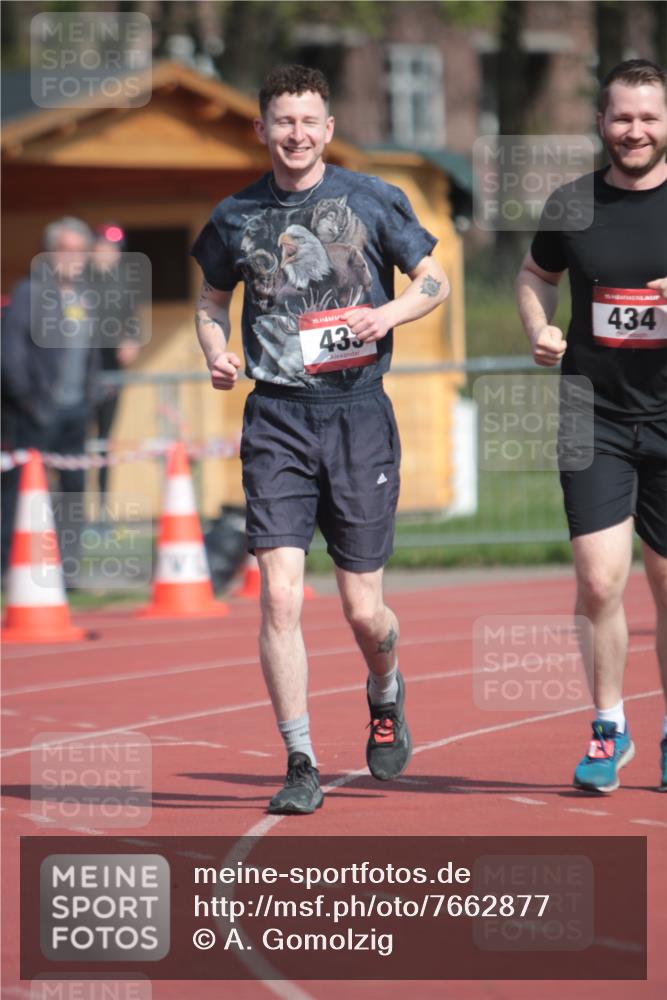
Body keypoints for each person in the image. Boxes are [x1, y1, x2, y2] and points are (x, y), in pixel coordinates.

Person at [191, 64, 449, 814]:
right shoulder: (234, 215)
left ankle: (385, 688)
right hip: (275, 417)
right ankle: (299, 759)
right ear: (262, 129)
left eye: (309, 121)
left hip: (357, 415)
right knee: (278, 597)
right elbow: (210, 302)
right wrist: (215, 351)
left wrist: (388, 317)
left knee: (363, 611)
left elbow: (433, 280)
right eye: (283, 121)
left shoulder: (370, 198)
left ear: (327, 130)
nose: (295, 134)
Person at [516, 59, 667, 793]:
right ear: (600, 122)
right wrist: (537, 329)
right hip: (592, 413)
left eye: (648, 117)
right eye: (621, 117)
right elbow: (532, 276)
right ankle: (608, 727)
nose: (633, 130)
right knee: (598, 580)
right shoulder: (570, 202)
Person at [1, 216, 101, 581]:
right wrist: (30, 402)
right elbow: (9, 356)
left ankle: (67, 569)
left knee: (73, 492)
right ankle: (10, 566)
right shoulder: (29, 292)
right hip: (36, 412)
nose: (73, 258)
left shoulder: (86, 296)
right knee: (22, 489)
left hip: (76, 412)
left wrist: (90, 398)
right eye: (65, 250)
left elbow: (91, 354)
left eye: (80, 251)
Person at [89, 223, 140, 509]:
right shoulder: (79, 281)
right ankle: (70, 513)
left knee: (104, 441)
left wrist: (131, 340)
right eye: (102, 247)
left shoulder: (124, 285)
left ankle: (103, 510)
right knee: (74, 442)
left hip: (110, 372)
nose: (107, 254)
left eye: (113, 250)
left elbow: (132, 322)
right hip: (80, 373)